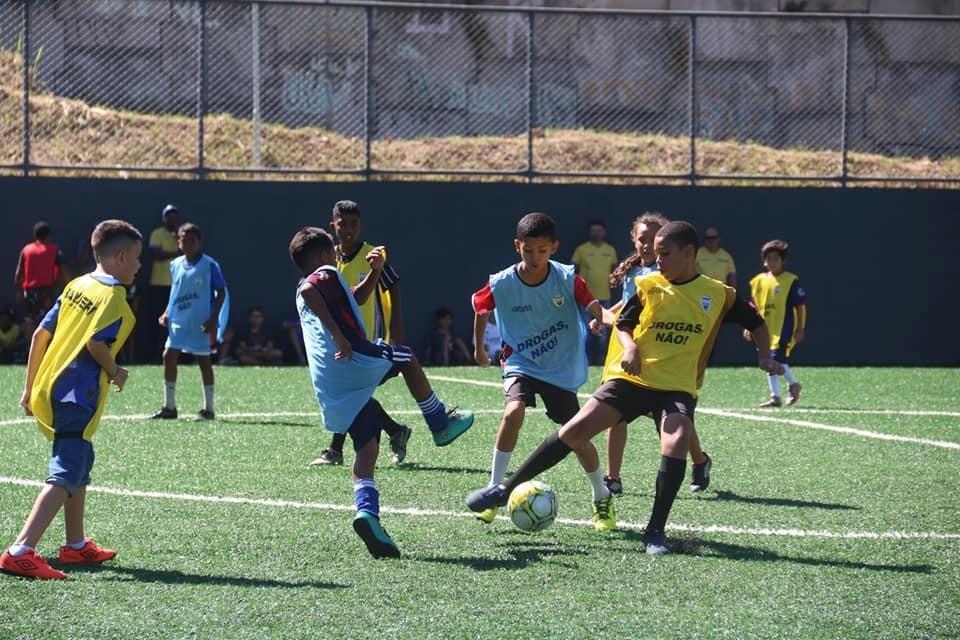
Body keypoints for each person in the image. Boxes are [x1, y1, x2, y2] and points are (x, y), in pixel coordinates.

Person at [466, 221, 781, 555]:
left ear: (689, 253)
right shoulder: (649, 285)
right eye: (655, 251)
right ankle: (504, 490)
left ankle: (655, 532)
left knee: (675, 440)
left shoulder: (718, 294)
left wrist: (764, 355)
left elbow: (756, 322)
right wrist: (629, 348)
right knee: (574, 431)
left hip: (676, 388)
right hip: (630, 380)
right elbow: (623, 324)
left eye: (664, 253)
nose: (656, 259)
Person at [289, 226, 474, 557]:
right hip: (352, 357)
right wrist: (341, 337)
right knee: (406, 356)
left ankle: (367, 514)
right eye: (330, 250)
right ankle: (439, 423)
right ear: (321, 256)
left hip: (331, 383)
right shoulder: (323, 274)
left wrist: (374, 273)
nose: (335, 255)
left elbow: (356, 298)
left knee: (368, 447)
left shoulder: (327, 283)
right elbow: (310, 290)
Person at [0, 219, 141, 580]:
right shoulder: (114, 299)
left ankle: (75, 546)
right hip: (76, 395)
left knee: (79, 461)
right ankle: (21, 549)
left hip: (52, 387)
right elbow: (97, 344)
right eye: (137, 258)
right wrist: (115, 371)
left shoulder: (77, 285)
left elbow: (39, 337)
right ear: (121, 257)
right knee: (65, 470)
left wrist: (29, 388)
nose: (139, 266)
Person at [471, 212, 617, 531]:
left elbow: (594, 307)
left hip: (559, 367)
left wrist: (607, 320)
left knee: (576, 435)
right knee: (513, 413)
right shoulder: (503, 281)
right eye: (528, 250)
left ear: (554, 248)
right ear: (517, 246)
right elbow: (481, 306)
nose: (535, 257)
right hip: (520, 360)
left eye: (542, 250)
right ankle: (495, 491)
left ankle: (601, 496)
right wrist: (480, 347)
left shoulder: (567, 279)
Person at [600, 212, 713, 498]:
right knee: (614, 412)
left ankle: (699, 460)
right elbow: (627, 306)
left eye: (653, 240)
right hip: (625, 346)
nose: (648, 245)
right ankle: (613, 477)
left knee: (669, 419)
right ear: (634, 241)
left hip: (658, 350)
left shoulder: (667, 272)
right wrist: (604, 316)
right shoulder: (633, 270)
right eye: (642, 240)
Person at [312, 200, 411, 467]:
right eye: (342, 224)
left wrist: (397, 328)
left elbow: (393, 289)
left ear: (361, 226)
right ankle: (394, 431)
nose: (348, 229)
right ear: (332, 225)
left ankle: (336, 449)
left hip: (367, 339)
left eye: (353, 224)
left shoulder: (373, 254)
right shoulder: (329, 259)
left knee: (351, 393)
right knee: (354, 394)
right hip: (341, 340)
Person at [149, 223, 227, 421]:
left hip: (201, 324)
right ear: (178, 242)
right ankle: (169, 407)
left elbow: (221, 292)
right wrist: (166, 313)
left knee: (203, 362)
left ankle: (208, 409)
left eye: (192, 240)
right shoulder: (175, 265)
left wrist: (213, 318)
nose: (188, 243)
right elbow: (175, 293)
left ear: (199, 242)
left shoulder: (209, 265)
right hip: (178, 322)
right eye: (184, 239)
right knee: (168, 356)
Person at [745, 239, 808, 408]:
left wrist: (801, 328)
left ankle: (785, 389)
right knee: (768, 360)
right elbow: (753, 305)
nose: (771, 262)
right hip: (764, 329)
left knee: (773, 359)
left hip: (783, 329)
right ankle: (782, 392)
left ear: (783, 261)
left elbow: (801, 306)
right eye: (768, 259)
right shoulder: (758, 281)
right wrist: (749, 325)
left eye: (775, 259)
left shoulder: (790, 281)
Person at [571, 220, 618, 365]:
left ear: (604, 232)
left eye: (599, 230)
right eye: (593, 230)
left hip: (605, 298)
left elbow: (615, 271)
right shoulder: (582, 249)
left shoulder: (610, 250)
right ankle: (585, 359)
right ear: (589, 232)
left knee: (602, 332)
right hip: (585, 298)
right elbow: (573, 270)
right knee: (585, 330)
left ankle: (600, 360)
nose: (596, 233)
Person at [140, 205, 182, 362]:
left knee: (176, 321)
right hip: (158, 284)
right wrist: (175, 253)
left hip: (176, 286)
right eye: (168, 215)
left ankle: (176, 354)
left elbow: (188, 253)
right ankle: (153, 355)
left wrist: (178, 239)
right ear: (164, 218)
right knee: (156, 320)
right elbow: (156, 255)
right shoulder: (157, 234)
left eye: (174, 215)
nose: (172, 219)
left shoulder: (181, 235)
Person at [15, 221, 67, 318]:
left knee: (30, 321)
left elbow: (18, 273)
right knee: (48, 321)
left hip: (29, 293)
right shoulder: (54, 250)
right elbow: (65, 270)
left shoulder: (26, 250)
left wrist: (19, 292)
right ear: (48, 235)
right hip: (46, 293)